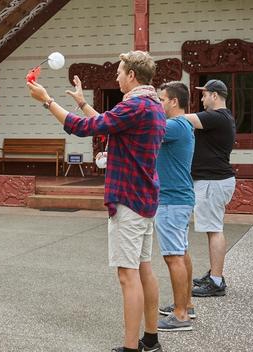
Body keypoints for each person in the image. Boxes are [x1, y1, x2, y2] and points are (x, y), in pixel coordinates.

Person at [30, 50, 165, 352]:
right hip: (144, 197)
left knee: (127, 275)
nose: (116, 76)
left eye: (120, 71)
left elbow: (84, 128)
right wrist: (82, 103)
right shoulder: (152, 105)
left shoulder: (136, 106)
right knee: (143, 268)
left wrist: (47, 100)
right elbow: (107, 124)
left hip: (129, 199)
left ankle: (131, 348)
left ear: (132, 75)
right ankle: (151, 340)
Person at [181, 79, 236, 297]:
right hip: (214, 181)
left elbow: (182, 118)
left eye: (204, 95)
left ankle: (216, 281)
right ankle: (215, 273)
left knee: (214, 230)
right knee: (213, 229)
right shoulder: (222, 118)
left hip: (213, 181)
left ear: (214, 95)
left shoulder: (217, 117)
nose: (202, 99)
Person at [150, 82, 196, 331]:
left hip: (171, 200)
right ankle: (186, 304)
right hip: (179, 198)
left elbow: (148, 129)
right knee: (182, 252)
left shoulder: (176, 126)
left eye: (161, 99)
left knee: (173, 257)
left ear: (174, 102)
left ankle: (180, 316)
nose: (158, 103)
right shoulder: (184, 125)